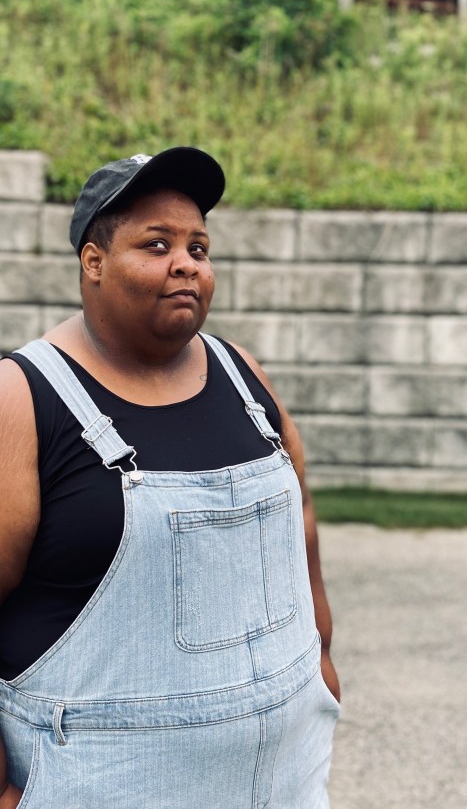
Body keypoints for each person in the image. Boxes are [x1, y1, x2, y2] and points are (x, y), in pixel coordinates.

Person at [0, 147, 340, 807]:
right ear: (92, 263)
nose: (185, 263)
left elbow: (297, 515)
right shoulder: (23, 397)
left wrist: (321, 657)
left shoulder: (242, 373)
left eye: (199, 248)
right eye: (156, 244)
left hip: (279, 781)